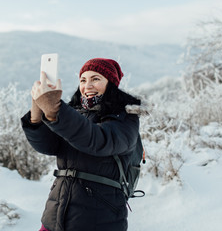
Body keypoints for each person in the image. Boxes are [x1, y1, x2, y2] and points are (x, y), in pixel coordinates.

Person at [21, 58, 141, 231]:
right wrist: (36, 116)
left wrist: (56, 110)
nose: (88, 85)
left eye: (96, 79)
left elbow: (98, 141)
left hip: (98, 219)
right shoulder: (75, 114)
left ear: (111, 83)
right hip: (55, 216)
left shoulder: (125, 118)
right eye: (83, 80)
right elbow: (48, 146)